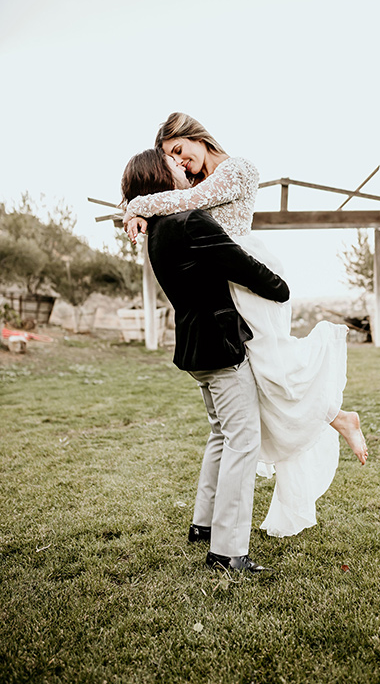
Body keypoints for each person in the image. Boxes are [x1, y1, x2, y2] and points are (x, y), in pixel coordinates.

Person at [123, 112, 368, 539]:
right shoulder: (186, 202)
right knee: (266, 380)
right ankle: (337, 416)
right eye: (171, 161)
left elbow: (181, 204)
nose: (180, 163)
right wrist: (140, 206)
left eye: (180, 151)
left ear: (195, 136)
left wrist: (135, 206)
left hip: (245, 273)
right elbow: (178, 203)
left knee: (274, 366)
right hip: (226, 282)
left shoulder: (237, 170)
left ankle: (337, 416)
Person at [121, 148, 290, 572]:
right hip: (220, 346)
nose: (184, 167)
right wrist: (280, 288)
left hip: (195, 349)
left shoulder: (158, 231)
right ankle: (228, 550)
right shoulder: (189, 221)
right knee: (243, 440)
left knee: (221, 435)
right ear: (160, 174)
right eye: (175, 164)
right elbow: (242, 266)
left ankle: (204, 524)